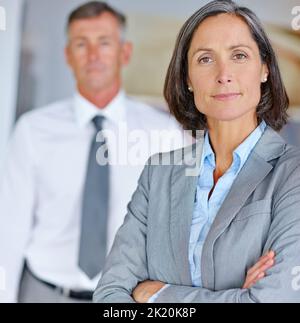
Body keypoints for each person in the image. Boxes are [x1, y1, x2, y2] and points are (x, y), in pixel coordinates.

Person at [94, 0, 300, 303]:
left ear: (265, 69)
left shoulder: (292, 174)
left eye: (239, 55)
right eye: (205, 59)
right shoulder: (158, 173)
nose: (223, 74)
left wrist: (157, 294)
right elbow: (110, 296)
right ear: (188, 79)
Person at [0, 1, 184, 303]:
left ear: (125, 53)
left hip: (127, 298)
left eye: (104, 43)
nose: (93, 55)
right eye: (81, 44)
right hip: (44, 293)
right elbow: (8, 230)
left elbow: (177, 232)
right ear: (68, 55)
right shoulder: (32, 131)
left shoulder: (164, 135)